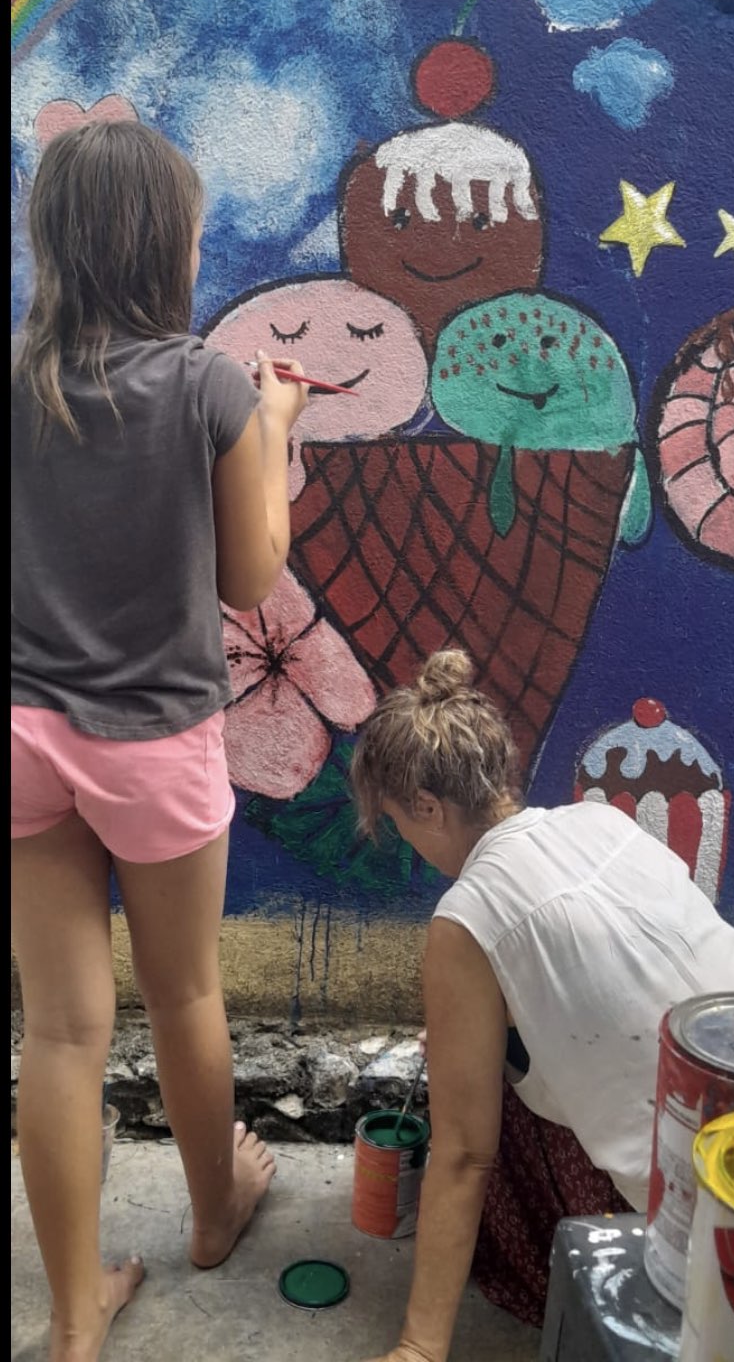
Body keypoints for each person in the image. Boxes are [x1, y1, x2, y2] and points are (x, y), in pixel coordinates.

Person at [11, 119, 308, 1362]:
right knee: (184, 991)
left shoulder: (18, 383)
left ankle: (74, 1316)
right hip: (158, 742)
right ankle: (213, 1207)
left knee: (60, 1029)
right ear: (163, 249)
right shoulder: (208, 385)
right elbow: (252, 575)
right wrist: (275, 427)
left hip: (24, 733)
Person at [350, 649, 734, 1362]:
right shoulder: (603, 822)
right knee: (485, 1051)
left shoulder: (466, 919)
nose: (404, 835)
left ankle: (554, 1273)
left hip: (728, 1235)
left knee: (472, 1092)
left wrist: (418, 1348)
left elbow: (462, 1156)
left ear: (428, 807)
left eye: (398, 819)